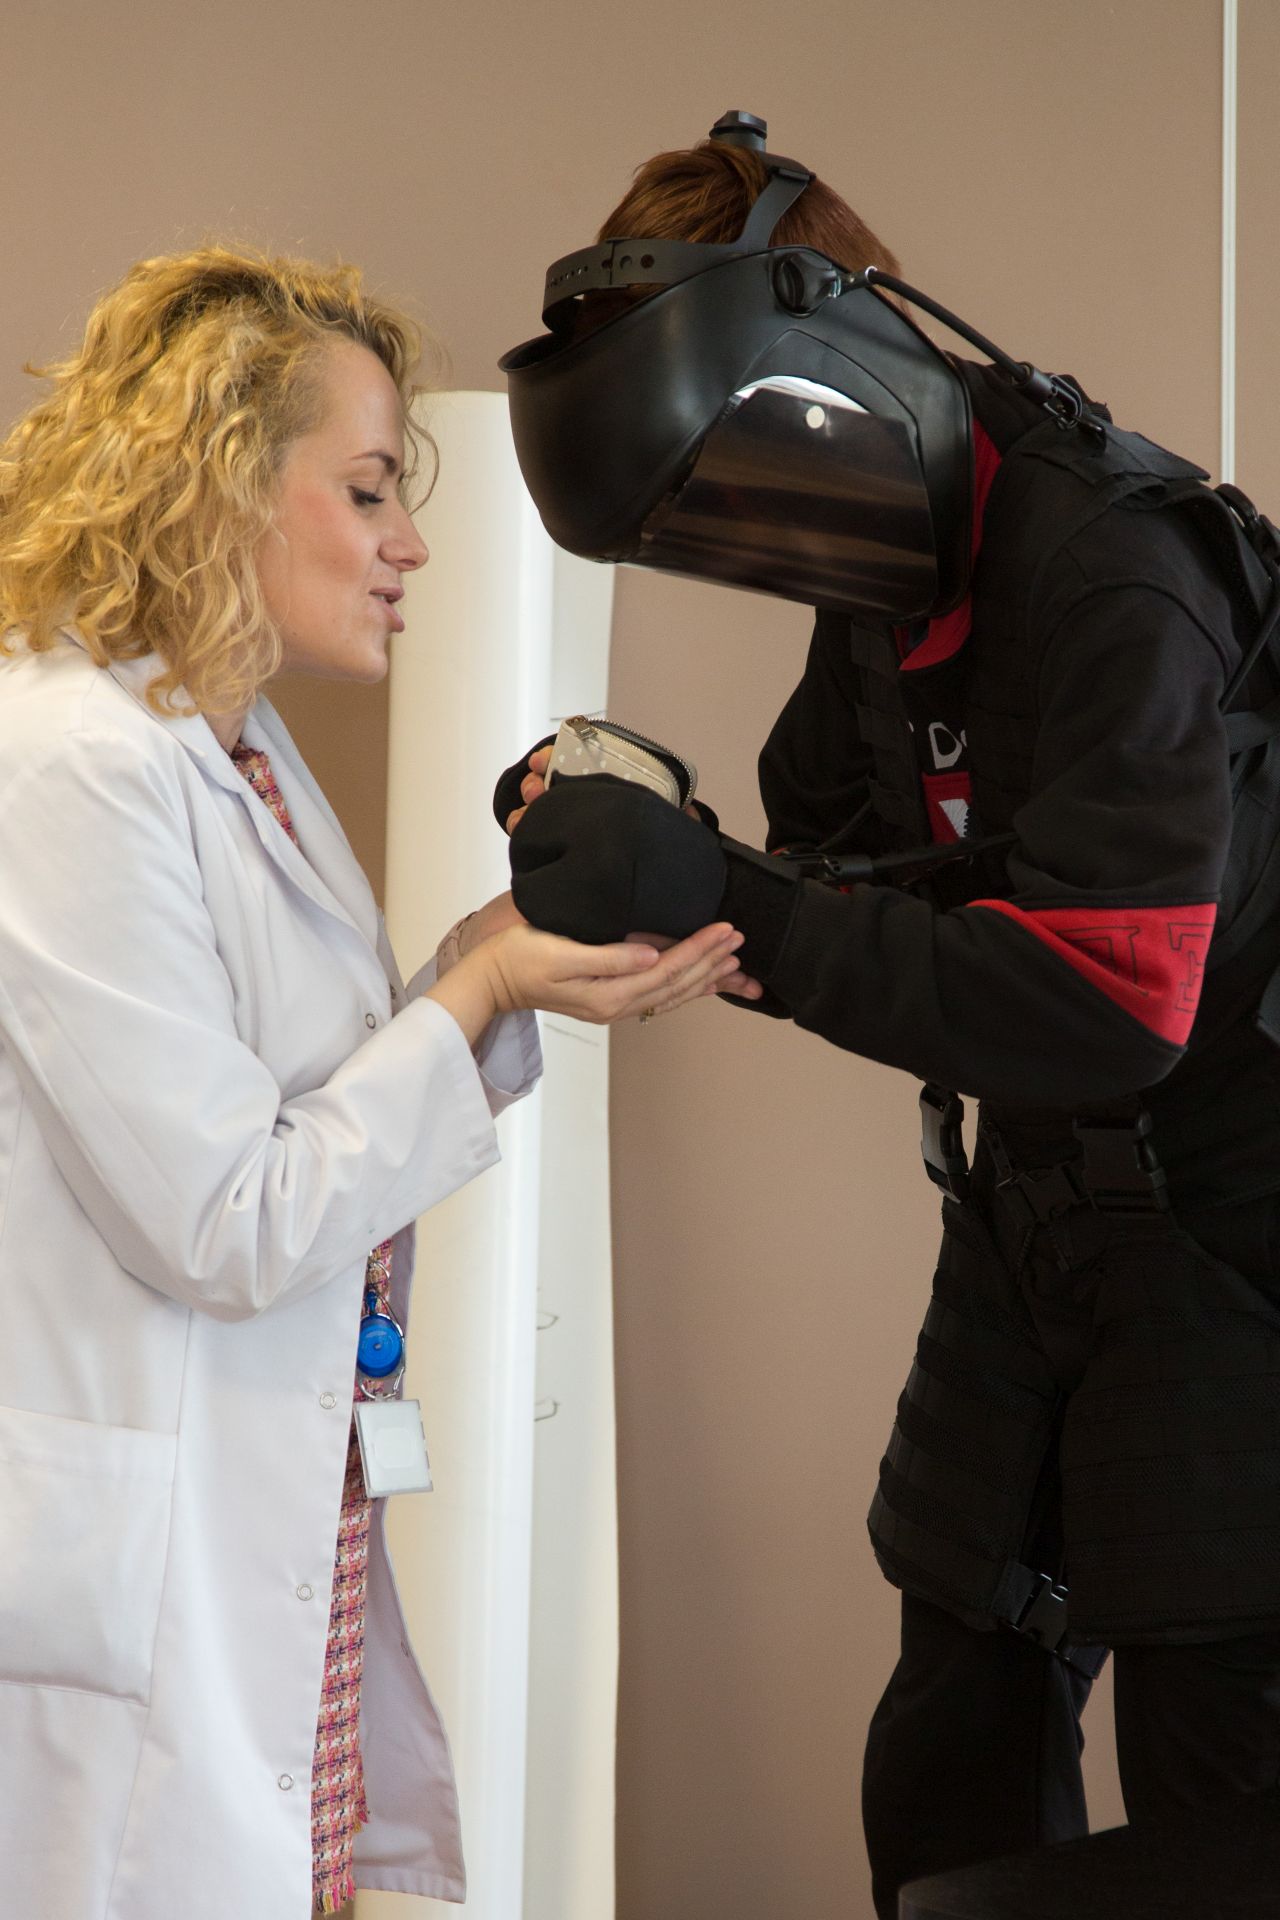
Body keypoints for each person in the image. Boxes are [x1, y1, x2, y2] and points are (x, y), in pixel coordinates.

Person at [494, 115, 1280, 1914]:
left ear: (840, 377)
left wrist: (749, 903)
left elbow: (1109, 1004)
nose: (756, 545)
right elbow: (830, 867)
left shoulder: (1114, 574)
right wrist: (663, 851)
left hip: (1235, 1235)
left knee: (1217, 1796)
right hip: (1037, 1213)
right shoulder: (880, 575)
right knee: (949, 1748)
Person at [0, 244, 752, 1920]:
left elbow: (308, 1102)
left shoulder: (238, 746)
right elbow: (230, 1220)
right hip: (140, 1599)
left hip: (280, 1537)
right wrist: (479, 989)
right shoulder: (68, 763)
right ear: (215, 488)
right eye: (365, 489)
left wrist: (500, 956)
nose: (409, 539)